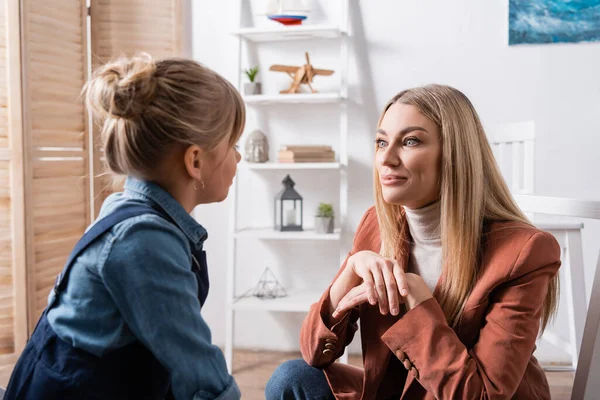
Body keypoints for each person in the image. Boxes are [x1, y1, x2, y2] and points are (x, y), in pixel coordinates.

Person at [266, 84, 561, 399]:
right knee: (292, 378)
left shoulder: (524, 251)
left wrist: (419, 301)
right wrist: (351, 273)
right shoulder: (376, 225)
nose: (386, 158)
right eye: (381, 142)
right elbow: (316, 354)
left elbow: (482, 395)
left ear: (454, 154)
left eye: (410, 141)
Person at [5, 54, 244, 400]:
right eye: (232, 145)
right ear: (195, 161)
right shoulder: (143, 241)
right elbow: (200, 371)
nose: (238, 157)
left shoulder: (131, 212)